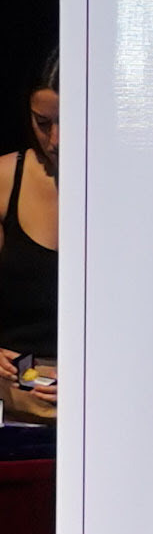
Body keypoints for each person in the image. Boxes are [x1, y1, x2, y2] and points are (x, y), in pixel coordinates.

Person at [5, 52, 56, 434]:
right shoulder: (7, 179)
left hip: (106, 383)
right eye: (43, 123)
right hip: (21, 381)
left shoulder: (137, 186)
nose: (54, 140)